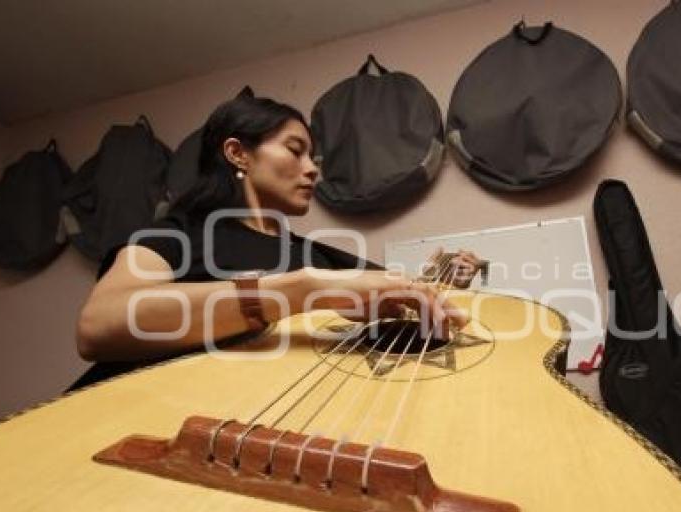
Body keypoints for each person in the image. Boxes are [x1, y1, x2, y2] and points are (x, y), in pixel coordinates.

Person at [71, 95, 484, 390]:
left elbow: (407, 297)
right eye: (295, 150)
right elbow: (99, 326)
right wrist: (303, 290)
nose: (312, 171)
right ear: (238, 153)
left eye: (314, 159)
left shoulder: (319, 255)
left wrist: (445, 277)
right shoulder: (175, 233)